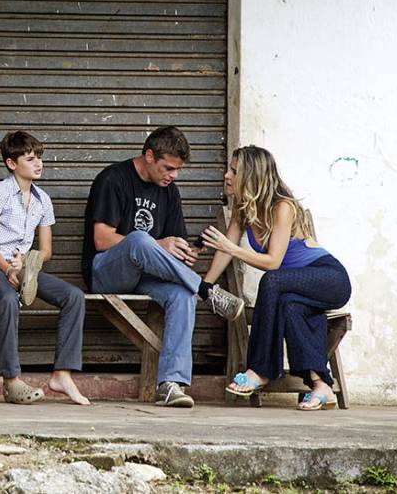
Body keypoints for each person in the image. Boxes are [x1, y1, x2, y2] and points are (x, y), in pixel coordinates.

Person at [81, 126, 244, 408]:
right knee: (139, 240)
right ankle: (207, 290)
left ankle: (170, 384)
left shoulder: (169, 191)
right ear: (148, 157)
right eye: (168, 168)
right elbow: (101, 239)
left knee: (183, 295)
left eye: (178, 170)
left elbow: (170, 247)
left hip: (145, 274)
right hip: (106, 272)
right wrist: (159, 245)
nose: (173, 175)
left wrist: (187, 250)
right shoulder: (113, 179)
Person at [200, 145, 351, 410]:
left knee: (272, 280)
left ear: (252, 175)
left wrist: (231, 248)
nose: (226, 175)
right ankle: (321, 385)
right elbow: (225, 252)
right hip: (296, 287)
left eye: (234, 171)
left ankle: (259, 370)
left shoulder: (283, 207)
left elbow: (273, 263)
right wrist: (205, 285)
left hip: (329, 278)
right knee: (290, 306)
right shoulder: (243, 210)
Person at [0, 130, 89, 405]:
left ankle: (62, 374)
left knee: (74, 297)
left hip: (23, 267)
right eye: (31, 158)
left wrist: (26, 263)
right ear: (12, 164)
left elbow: (47, 251)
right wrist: (7, 269)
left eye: (40, 158)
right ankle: (11, 381)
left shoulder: (42, 200)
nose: (39, 163)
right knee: (8, 298)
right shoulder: (0, 191)